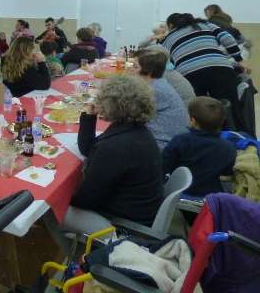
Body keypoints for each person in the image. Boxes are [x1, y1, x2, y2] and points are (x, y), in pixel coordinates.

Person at [64, 75, 163, 234]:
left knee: (54, 211)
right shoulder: (136, 130)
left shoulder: (116, 146)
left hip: (123, 224)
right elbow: (89, 149)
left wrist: (64, 197)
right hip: (138, 212)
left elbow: (86, 200)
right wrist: (90, 115)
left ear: (112, 105)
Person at [162, 13, 247, 129]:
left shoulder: (168, 38)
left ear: (171, 26)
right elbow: (227, 37)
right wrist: (239, 59)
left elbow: (166, 60)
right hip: (220, 67)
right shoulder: (204, 24)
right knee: (230, 108)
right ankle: (236, 134)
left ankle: (204, 136)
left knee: (200, 112)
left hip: (190, 73)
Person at [162, 97, 237, 197]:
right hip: (211, 199)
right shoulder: (228, 147)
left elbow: (163, 167)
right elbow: (227, 173)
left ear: (193, 121)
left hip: (180, 195)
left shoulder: (180, 141)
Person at [133, 49, 190, 147]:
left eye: (135, 67)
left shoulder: (154, 90)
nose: (130, 70)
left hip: (163, 145)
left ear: (149, 71)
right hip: (170, 140)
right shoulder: (158, 82)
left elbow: (130, 115)